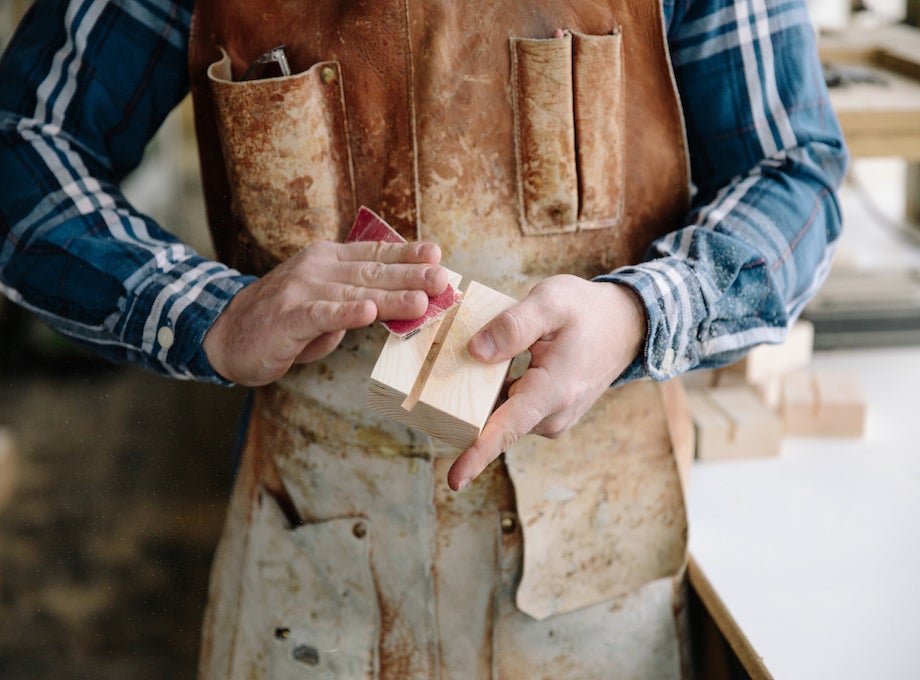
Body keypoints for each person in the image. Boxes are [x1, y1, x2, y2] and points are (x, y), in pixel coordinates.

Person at [0, 0, 847, 677]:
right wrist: (207, 314)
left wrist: (637, 313)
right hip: (311, 566)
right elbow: (24, 143)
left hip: (595, 571)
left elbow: (791, 171)